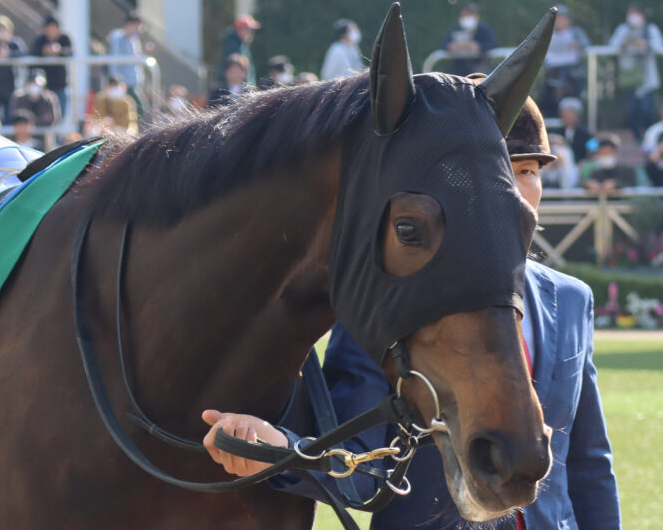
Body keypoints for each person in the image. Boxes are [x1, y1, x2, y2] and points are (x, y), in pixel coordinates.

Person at [202, 97, 620, 530]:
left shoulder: (572, 299)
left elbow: (589, 465)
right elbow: (362, 465)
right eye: (496, 170)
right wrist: (282, 449)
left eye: (528, 171)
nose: (513, 189)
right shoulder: (386, 304)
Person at [609, 2, 663, 140]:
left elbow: (660, 48)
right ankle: (637, 137)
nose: (633, 17)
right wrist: (622, 43)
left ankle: (649, 137)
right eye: (630, 14)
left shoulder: (650, 29)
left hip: (647, 79)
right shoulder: (623, 29)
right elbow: (612, 46)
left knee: (647, 110)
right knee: (632, 110)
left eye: (636, 14)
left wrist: (647, 43)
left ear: (642, 15)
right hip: (629, 78)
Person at [539, 6, 590, 117]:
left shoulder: (576, 32)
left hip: (572, 74)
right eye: (557, 18)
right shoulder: (548, 33)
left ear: (568, 20)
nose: (559, 21)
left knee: (573, 100)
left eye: (562, 18)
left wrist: (578, 44)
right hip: (552, 73)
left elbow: (587, 45)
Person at [0, 15, 27, 123]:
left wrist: (9, 54)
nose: (0, 33)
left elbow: (23, 53)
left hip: (11, 86)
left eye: (3, 30)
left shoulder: (15, 43)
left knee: (10, 115)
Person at [30, 14, 73, 118]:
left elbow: (70, 52)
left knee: (60, 115)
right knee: (44, 116)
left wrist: (59, 51)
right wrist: (44, 51)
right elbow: (32, 53)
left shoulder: (64, 39)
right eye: (49, 27)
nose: (51, 30)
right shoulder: (40, 40)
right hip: (43, 86)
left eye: (54, 27)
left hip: (60, 84)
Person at [440, 4, 498, 76]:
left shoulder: (484, 29)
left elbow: (493, 43)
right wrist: (450, 46)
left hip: (480, 68)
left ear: (476, 16)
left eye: (468, 15)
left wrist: (478, 47)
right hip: (459, 69)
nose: (466, 18)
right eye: (463, 16)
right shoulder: (455, 29)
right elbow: (444, 44)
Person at [108, 12, 146, 117]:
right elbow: (114, 60)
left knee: (135, 112)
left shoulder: (134, 39)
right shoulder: (117, 38)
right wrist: (115, 81)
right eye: (137, 26)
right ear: (130, 24)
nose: (139, 29)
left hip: (133, 82)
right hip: (123, 83)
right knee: (137, 110)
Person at [218, 15, 260, 86]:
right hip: (236, 89)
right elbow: (236, 71)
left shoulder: (242, 44)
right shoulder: (232, 46)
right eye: (248, 29)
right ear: (239, 30)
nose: (251, 32)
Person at [549, 97, 593, 163]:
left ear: (578, 115)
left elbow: (592, 150)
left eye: (572, 114)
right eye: (566, 114)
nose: (569, 117)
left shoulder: (586, 135)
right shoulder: (556, 133)